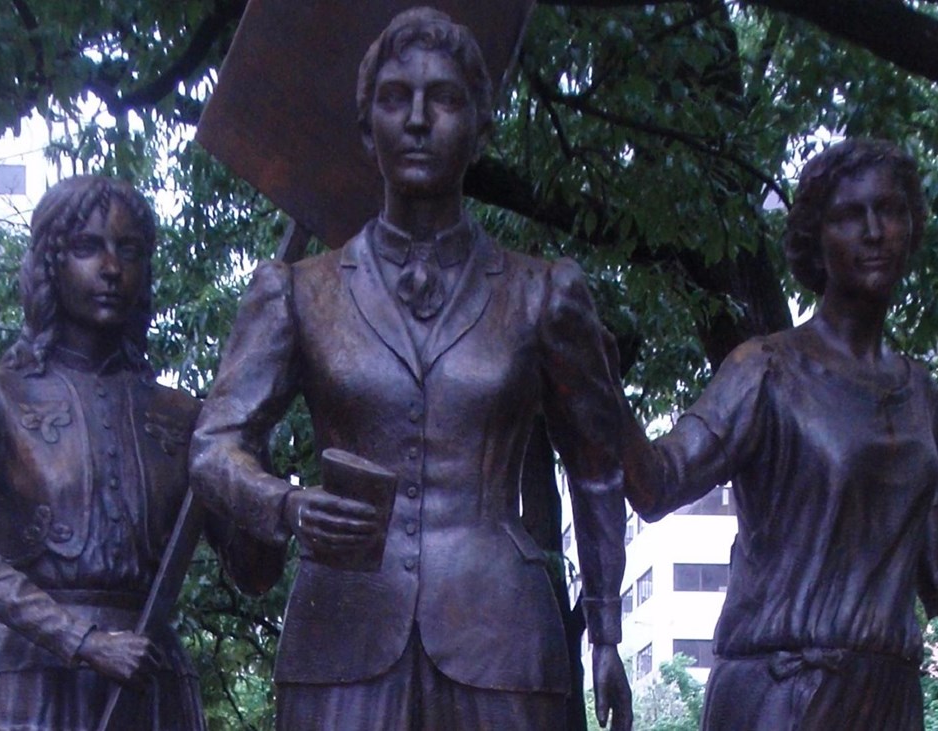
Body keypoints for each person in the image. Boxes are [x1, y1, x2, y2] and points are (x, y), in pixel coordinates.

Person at [190, 8, 633, 730]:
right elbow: (213, 448)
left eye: (446, 99)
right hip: (342, 632)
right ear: (367, 129)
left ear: (482, 127)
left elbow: (598, 462)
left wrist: (608, 630)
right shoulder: (297, 292)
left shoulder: (543, 292)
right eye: (396, 98)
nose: (420, 119)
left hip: (503, 638)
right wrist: (288, 505)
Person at [622, 139, 938, 730]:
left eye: (889, 211)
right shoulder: (765, 369)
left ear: (910, 228)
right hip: (782, 694)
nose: (873, 231)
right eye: (848, 215)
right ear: (816, 238)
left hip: (886, 697)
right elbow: (658, 484)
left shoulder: (917, 390)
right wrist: (594, 385)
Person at [0, 176, 276, 730]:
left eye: (129, 250)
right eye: (87, 247)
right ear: (50, 263)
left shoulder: (185, 417)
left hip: (148, 682)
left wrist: (252, 429)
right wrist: (82, 641)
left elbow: (256, 570)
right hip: (23, 683)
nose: (111, 268)